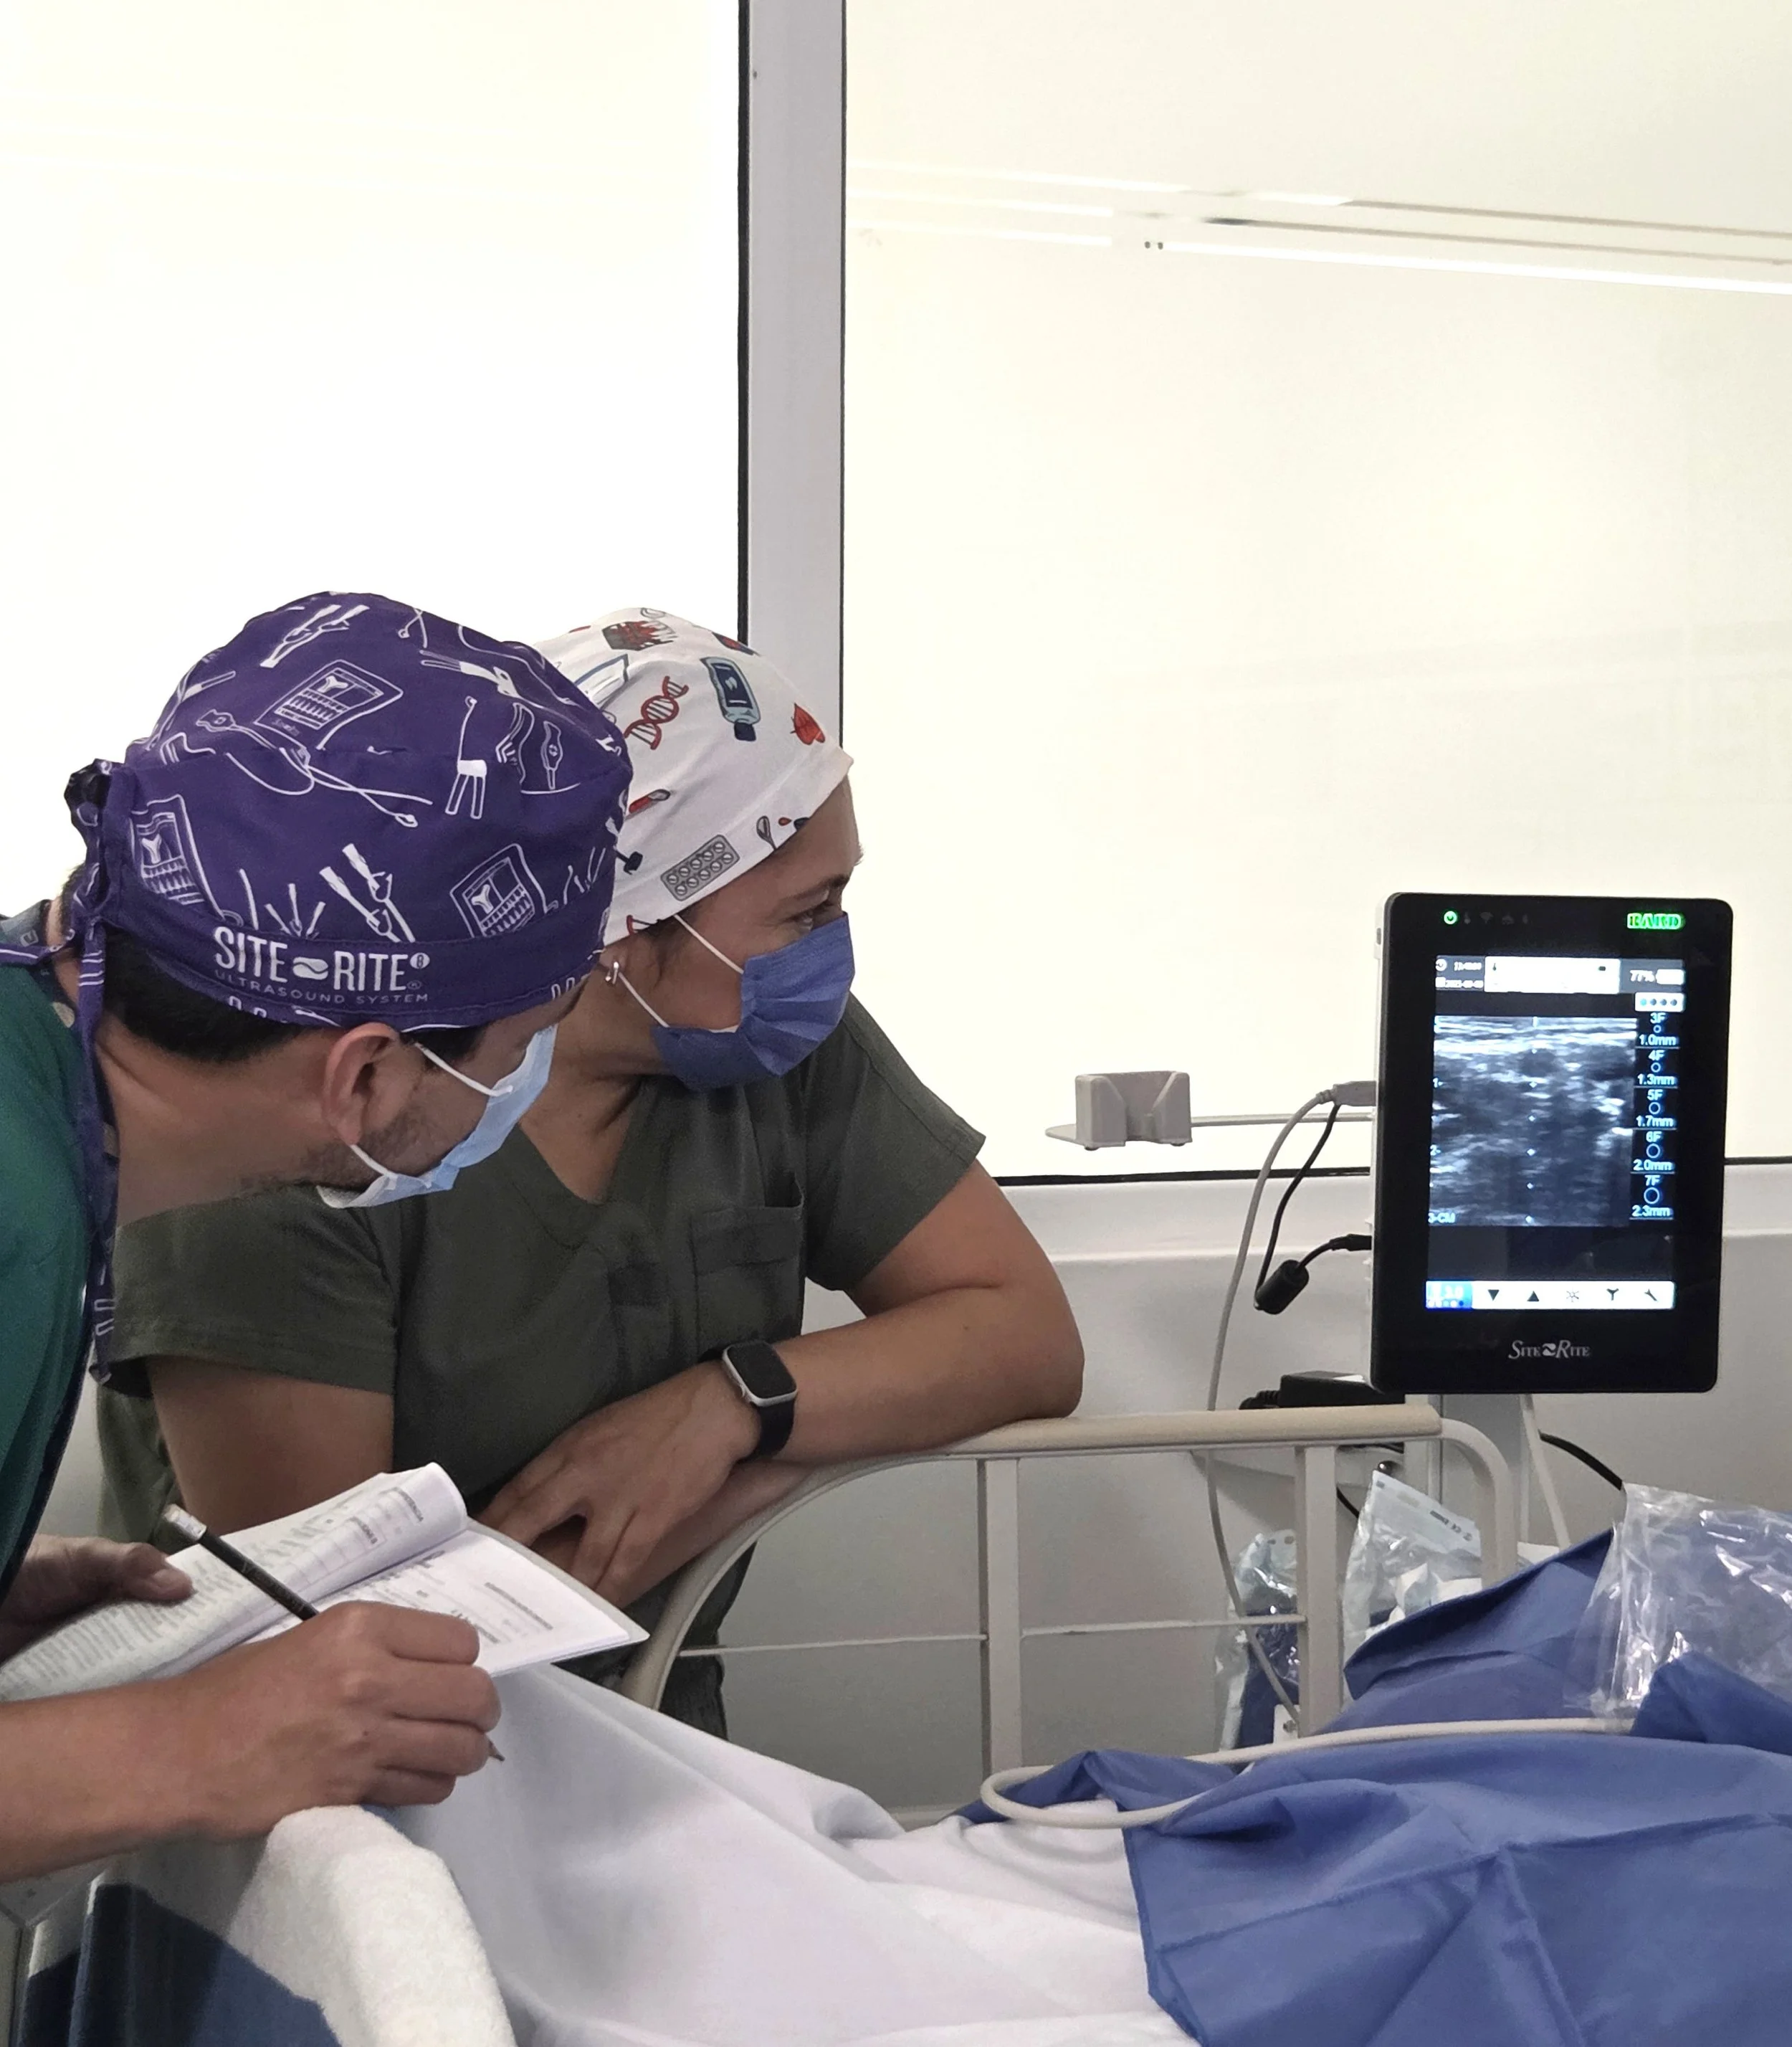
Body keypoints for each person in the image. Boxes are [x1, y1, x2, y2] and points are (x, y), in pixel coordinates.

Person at [99, 611, 1083, 1732]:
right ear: (623, 923)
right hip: (353, 1788)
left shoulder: (771, 1049)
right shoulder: (335, 1123)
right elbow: (339, 1625)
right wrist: (774, 1465)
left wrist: (731, 1410)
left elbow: (1024, 1336)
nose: (833, 951)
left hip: (657, 1739)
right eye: (805, 912)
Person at [0, 592, 629, 1880]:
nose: (524, 1086)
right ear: (365, 1078)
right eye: (521, 1049)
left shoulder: (37, 1096)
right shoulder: (16, 1216)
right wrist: (198, 1736)